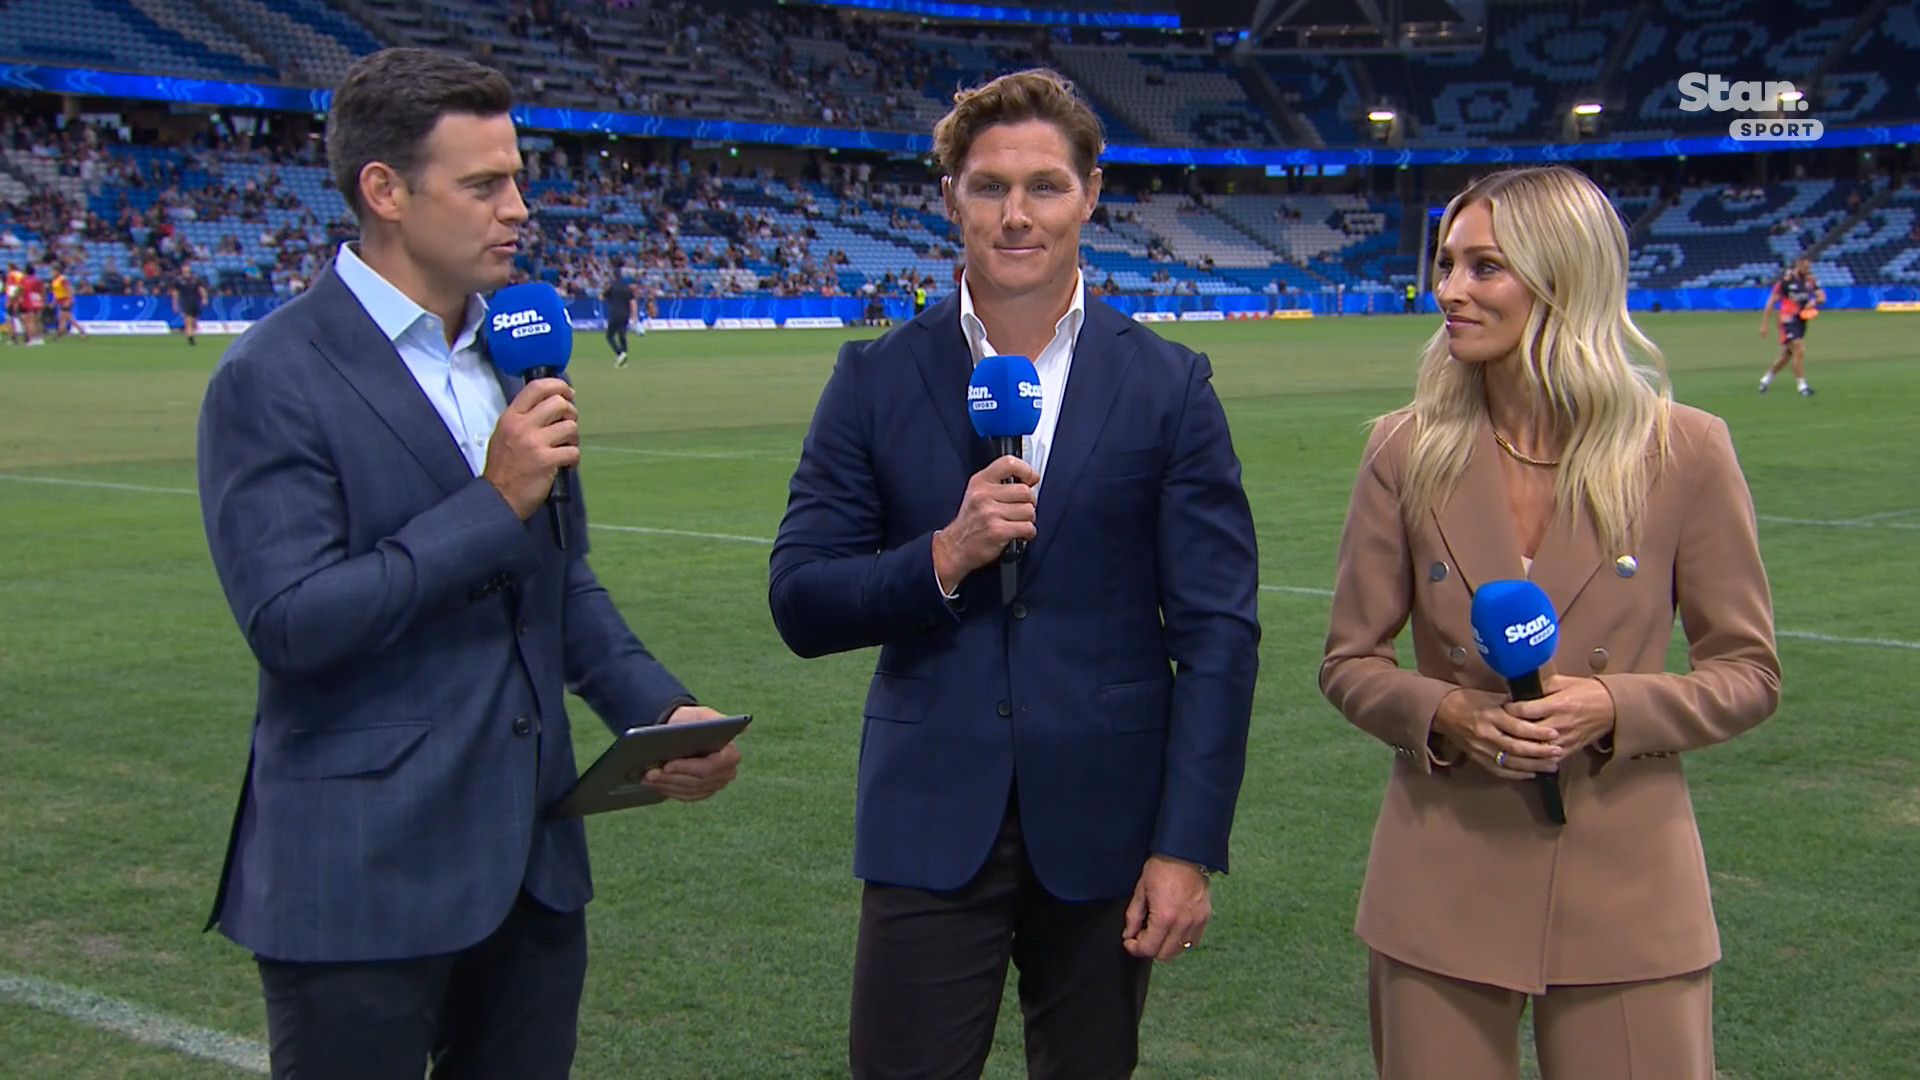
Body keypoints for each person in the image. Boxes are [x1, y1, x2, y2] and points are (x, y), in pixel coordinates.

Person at [195, 48, 742, 1077]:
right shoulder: (270, 374)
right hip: (361, 874)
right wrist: (492, 502)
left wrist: (663, 712)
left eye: (518, 180)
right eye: (485, 184)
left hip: (532, 870)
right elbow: (293, 624)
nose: (518, 209)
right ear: (385, 191)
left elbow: (559, 583)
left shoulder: (519, 353)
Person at [769, 69, 1260, 1079]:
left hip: (1107, 821)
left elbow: (1217, 633)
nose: (1017, 215)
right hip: (928, 814)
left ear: (1091, 194)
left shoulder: (1168, 385)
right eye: (989, 186)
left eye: (1045, 186)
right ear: (950, 197)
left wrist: (1186, 845)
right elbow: (802, 599)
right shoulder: (873, 378)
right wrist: (943, 556)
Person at [1320, 166, 1781, 1080]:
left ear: (1563, 279)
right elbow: (1349, 661)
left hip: (1628, 890)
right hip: (1442, 880)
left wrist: (1612, 706)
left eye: (1485, 267)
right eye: (1446, 263)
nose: (1449, 290)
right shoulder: (1403, 450)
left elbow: (1749, 673)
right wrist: (1447, 714)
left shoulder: (1685, 450)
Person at [1758, 256, 1824, 396]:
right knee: (1799, 349)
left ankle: (1766, 379)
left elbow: (1822, 297)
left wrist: (1813, 302)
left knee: (1787, 355)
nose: (1807, 270)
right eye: (1805, 267)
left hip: (1801, 321)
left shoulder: (1810, 280)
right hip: (1787, 320)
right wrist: (1764, 324)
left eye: (1809, 267)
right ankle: (1802, 387)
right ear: (1798, 265)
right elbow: (1771, 302)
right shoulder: (1786, 281)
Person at [603, 266, 635, 367]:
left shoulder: (611, 286)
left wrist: (605, 289)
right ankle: (623, 359)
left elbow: (602, 297)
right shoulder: (627, 287)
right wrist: (634, 316)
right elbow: (632, 302)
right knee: (622, 336)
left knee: (609, 335)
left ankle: (620, 353)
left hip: (614, 313)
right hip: (625, 314)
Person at [173, 267, 207, 345]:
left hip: (195, 301)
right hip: (185, 301)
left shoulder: (195, 279)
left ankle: (191, 334)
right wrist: (175, 303)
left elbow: (201, 289)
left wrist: (204, 298)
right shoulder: (179, 280)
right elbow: (175, 293)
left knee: (194, 321)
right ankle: (190, 338)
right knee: (188, 320)